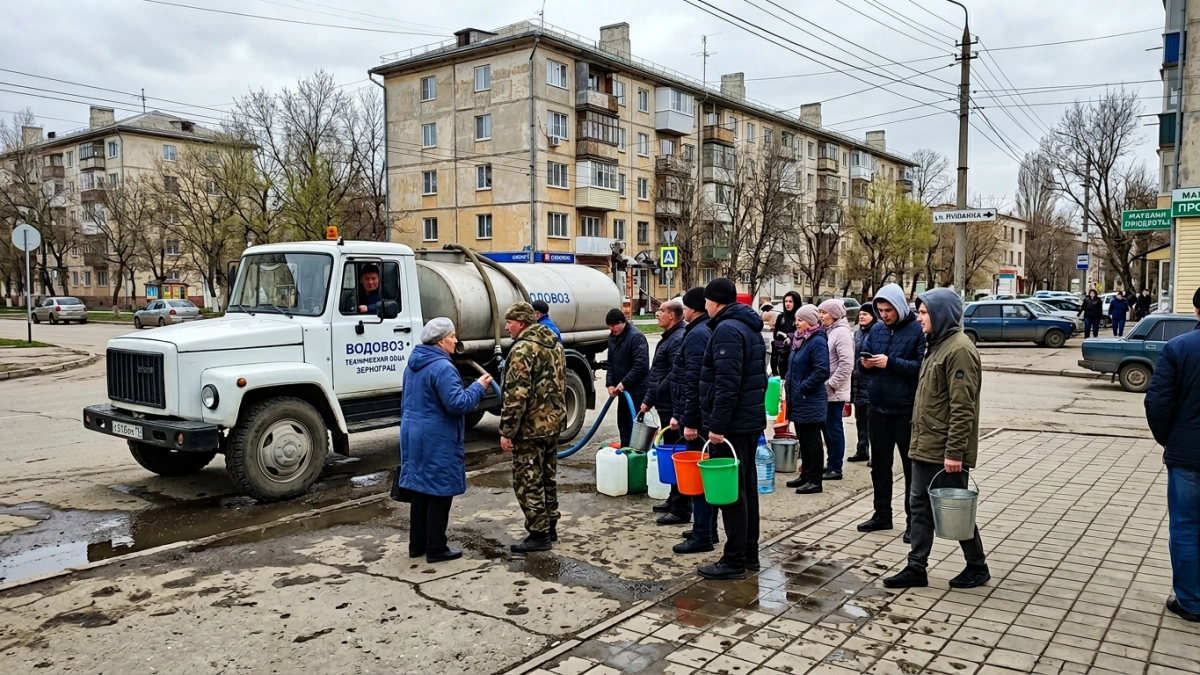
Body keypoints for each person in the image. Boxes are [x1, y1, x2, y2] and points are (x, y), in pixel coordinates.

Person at [884, 288, 989, 590]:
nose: (919, 318)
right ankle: (917, 567)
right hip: (926, 445)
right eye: (919, 312)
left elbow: (962, 407)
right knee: (920, 507)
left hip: (944, 450)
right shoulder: (937, 345)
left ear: (941, 314)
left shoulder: (959, 350)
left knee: (954, 511)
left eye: (925, 312)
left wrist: (955, 452)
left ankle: (977, 566)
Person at [397, 318, 493, 563]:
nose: (456, 341)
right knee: (439, 492)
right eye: (452, 337)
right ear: (441, 341)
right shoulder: (442, 367)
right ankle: (436, 548)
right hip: (436, 437)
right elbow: (458, 404)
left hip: (413, 435)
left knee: (420, 490)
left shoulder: (413, 365)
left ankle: (416, 545)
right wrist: (477, 387)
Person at [696, 278, 768, 580]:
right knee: (747, 488)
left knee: (732, 494)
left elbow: (727, 384)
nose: (705, 307)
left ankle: (734, 560)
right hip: (748, 421)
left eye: (707, 302)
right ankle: (749, 554)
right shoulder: (747, 326)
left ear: (715, 302)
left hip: (733, 425)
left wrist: (716, 426)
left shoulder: (727, 329)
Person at [1144, 287, 1200, 623]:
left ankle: (1191, 601)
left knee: (1186, 527)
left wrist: (1169, 440)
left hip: (1187, 457)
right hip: (1185, 452)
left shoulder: (1179, 348)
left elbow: (1157, 403)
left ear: (1196, 312)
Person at [499, 301, 568, 554]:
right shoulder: (554, 343)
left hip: (530, 429)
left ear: (522, 322)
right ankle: (550, 526)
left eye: (509, 322)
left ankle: (538, 534)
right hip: (553, 425)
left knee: (528, 481)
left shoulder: (523, 349)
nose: (507, 327)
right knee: (547, 477)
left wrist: (507, 431)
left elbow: (516, 396)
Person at [859, 283, 925, 542]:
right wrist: (865, 363)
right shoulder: (875, 329)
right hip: (878, 407)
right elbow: (862, 366)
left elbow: (921, 367)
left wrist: (890, 362)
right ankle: (881, 514)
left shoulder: (917, 329)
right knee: (880, 466)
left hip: (904, 410)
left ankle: (913, 522)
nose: (884, 315)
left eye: (888, 310)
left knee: (911, 470)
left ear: (899, 307)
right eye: (880, 310)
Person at [670, 287, 720, 555]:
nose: (684, 311)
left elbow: (695, 382)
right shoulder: (699, 330)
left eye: (686, 307)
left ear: (692, 309)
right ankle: (706, 528)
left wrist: (687, 419)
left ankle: (703, 533)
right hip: (699, 415)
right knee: (701, 476)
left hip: (699, 420)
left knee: (699, 478)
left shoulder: (698, 334)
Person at [642, 299, 691, 525]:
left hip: (674, 405)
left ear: (673, 315)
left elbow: (675, 374)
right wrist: (649, 400)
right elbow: (658, 372)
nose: (657, 314)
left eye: (661, 310)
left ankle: (681, 506)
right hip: (664, 403)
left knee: (677, 453)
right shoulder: (669, 337)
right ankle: (674, 497)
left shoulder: (678, 338)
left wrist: (659, 391)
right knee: (670, 453)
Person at [783, 304, 829, 495]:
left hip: (810, 399)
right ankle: (806, 474)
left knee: (812, 442)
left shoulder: (816, 341)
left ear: (810, 321)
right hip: (799, 399)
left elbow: (822, 370)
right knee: (803, 439)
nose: (797, 323)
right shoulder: (800, 340)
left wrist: (803, 387)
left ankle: (815, 480)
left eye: (800, 320)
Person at [818, 299, 854, 481]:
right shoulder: (829, 331)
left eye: (824, 312)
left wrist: (831, 384)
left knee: (833, 429)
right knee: (827, 430)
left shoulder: (841, 333)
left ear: (834, 314)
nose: (821, 316)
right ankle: (831, 462)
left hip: (834, 392)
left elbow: (847, 364)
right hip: (826, 391)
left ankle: (835, 467)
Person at [604, 309, 649, 448]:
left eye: (614, 325)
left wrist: (624, 383)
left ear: (622, 322)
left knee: (635, 423)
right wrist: (610, 383)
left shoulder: (636, 337)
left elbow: (640, 365)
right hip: (622, 391)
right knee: (622, 422)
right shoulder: (612, 338)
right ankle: (625, 450)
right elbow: (610, 362)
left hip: (636, 390)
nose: (612, 329)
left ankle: (637, 452)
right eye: (609, 326)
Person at [847, 303, 878, 464]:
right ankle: (862, 449)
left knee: (872, 421)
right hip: (858, 381)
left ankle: (875, 454)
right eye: (860, 314)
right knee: (860, 419)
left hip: (871, 381)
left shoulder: (877, 331)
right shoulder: (858, 333)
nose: (861, 316)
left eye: (865, 314)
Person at [771, 291, 803, 378]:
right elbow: (775, 334)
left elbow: (801, 334)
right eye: (786, 301)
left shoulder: (800, 318)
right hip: (781, 354)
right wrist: (781, 335)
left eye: (790, 301)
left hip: (795, 354)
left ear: (796, 302)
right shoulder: (781, 317)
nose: (787, 304)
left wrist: (789, 336)